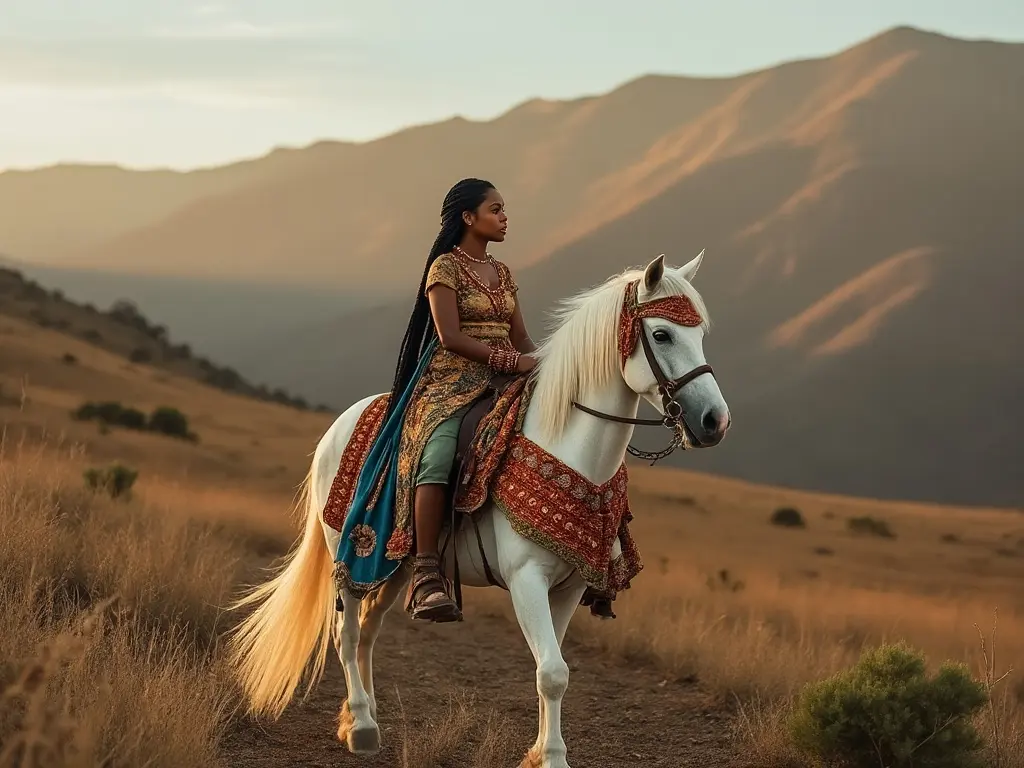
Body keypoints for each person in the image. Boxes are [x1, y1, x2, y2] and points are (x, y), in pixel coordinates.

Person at [387, 177, 537, 623]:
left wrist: (544, 360)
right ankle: (426, 571)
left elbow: (522, 335)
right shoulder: (445, 269)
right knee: (437, 452)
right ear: (468, 218)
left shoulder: (504, 272)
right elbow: (449, 336)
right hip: (452, 381)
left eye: (504, 208)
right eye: (496, 209)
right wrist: (507, 361)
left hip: (505, 375)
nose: (505, 217)